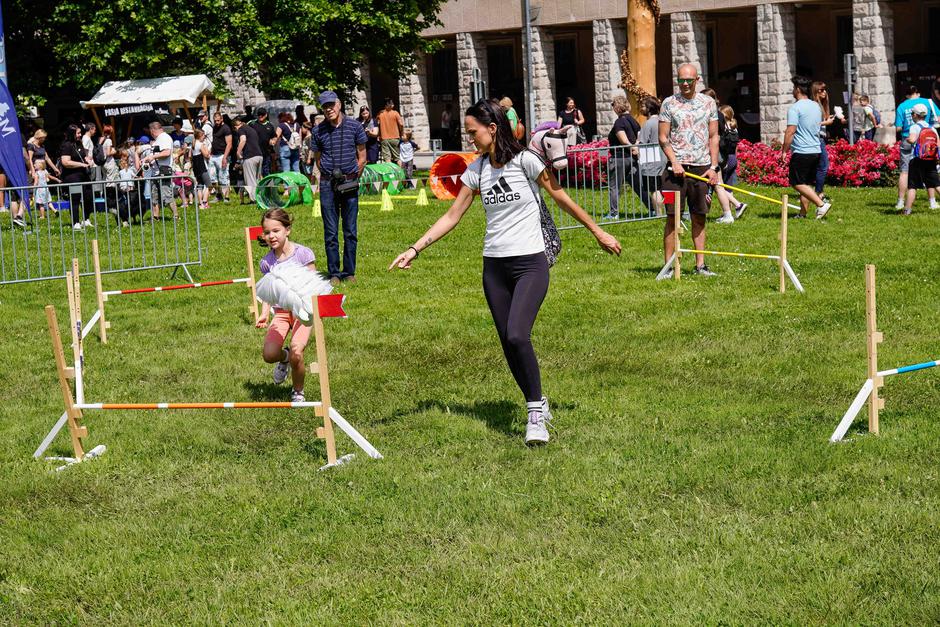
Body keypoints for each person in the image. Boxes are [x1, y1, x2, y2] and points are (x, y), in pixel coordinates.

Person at [389, 98, 621, 446]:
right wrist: (415, 248)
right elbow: (452, 216)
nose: (469, 138)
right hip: (494, 266)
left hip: (530, 262)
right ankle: (538, 398)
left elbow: (561, 199)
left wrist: (598, 231)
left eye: (473, 132)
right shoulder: (477, 170)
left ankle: (534, 415)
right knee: (507, 342)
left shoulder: (527, 161)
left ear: (492, 129)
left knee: (517, 334)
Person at [658, 63, 721, 278]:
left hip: (701, 168)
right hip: (674, 170)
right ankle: (668, 266)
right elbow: (663, 137)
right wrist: (674, 162)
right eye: (681, 80)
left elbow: (714, 136)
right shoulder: (669, 103)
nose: (685, 84)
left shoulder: (708, 103)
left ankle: (700, 265)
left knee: (699, 217)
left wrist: (713, 167)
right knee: (672, 218)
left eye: (689, 80)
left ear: (697, 80)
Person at [255, 208, 318, 403]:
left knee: (297, 352)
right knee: (269, 354)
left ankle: (298, 392)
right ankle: (284, 358)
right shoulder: (267, 262)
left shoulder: (303, 254)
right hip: (281, 313)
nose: (271, 236)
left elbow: (313, 285)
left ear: (287, 230)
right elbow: (268, 290)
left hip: (303, 312)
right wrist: (264, 313)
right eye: (267, 232)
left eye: (276, 230)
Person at [311, 90, 367, 284]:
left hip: (350, 183)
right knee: (331, 231)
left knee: (350, 230)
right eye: (325, 106)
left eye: (331, 105)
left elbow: (363, 157)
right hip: (328, 185)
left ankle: (349, 271)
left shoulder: (355, 126)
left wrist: (351, 177)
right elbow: (317, 159)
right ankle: (334, 273)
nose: (329, 109)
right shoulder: (318, 130)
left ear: (339, 104)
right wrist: (328, 176)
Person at [783, 76, 832, 220]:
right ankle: (802, 214)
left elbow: (790, 131)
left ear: (797, 89)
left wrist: (784, 150)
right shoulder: (816, 106)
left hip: (802, 151)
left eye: (793, 88)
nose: (793, 91)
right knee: (806, 184)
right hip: (816, 150)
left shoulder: (795, 108)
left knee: (796, 182)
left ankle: (821, 204)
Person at [700, 88, 746, 224]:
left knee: (717, 184)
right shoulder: (719, 114)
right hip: (720, 154)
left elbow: (713, 137)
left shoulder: (712, 114)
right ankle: (731, 210)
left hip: (714, 153)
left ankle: (730, 212)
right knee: (718, 184)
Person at [894, 85, 937, 210]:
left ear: (907, 95)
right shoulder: (927, 102)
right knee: (929, 171)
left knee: (904, 171)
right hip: (926, 141)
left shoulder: (902, 106)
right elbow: (937, 117)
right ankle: (932, 202)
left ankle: (901, 202)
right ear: (917, 93)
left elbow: (898, 128)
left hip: (909, 139)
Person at [605, 94, 644, 220]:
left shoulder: (619, 122)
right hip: (632, 159)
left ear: (617, 107)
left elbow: (623, 140)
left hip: (619, 158)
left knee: (614, 186)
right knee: (638, 186)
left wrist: (631, 147)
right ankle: (653, 209)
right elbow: (639, 137)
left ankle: (613, 213)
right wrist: (636, 147)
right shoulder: (634, 120)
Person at [901, 103, 939, 215]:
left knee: (912, 186)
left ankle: (907, 210)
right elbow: (938, 143)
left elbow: (912, 140)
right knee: (936, 184)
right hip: (930, 159)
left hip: (917, 159)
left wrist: (907, 139)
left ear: (915, 115)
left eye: (912, 114)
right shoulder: (932, 127)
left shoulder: (915, 127)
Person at [59, 123, 95, 231]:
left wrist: (88, 160)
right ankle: (75, 222)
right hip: (72, 176)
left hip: (84, 175)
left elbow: (84, 156)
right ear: (72, 134)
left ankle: (86, 219)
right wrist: (81, 164)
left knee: (88, 196)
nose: (80, 135)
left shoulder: (79, 143)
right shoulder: (66, 145)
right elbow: (65, 162)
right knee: (75, 199)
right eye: (78, 133)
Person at [141, 120, 178, 219]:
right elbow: (157, 154)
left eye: (150, 132)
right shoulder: (158, 139)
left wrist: (152, 157)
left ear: (153, 130)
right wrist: (147, 159)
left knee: (167, 195)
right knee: (154, 196)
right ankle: (155, 217)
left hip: (163, 171)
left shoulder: (164, 138)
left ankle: (176, 216)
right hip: (156, 171)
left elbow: (166, 153)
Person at [636, 96, 667, 215]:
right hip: (664, 159)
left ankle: (659, 214)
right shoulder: (662, 121)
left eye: (643, 106)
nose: (641, 108)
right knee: (664, 188)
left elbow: (642, 143)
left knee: (655, 190)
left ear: (649, 108)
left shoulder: (648, 124)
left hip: (652, 161)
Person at [811, 81, 834, 203]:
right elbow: (813, 124)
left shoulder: (821, 106)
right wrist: (827, 123)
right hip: (817, 138)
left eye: (825, 90)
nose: (824, 92)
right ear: (815, 91)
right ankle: (818, 192)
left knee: (820, 166)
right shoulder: (815, 105)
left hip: (820, 137)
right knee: (823, 166)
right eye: (821, 90)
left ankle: (818, 191)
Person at [233, 116, 264, 202]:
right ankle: (261, 198)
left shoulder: (241, 129)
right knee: (257, 179)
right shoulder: (251, 129)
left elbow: (243, 140)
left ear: (235, 126)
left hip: (250, 157)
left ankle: (255, 200)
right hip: (259, 155)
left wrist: (238, 152)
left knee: (250, 180)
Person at [209, 112, 233, 202]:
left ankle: (226, 197)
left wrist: (224, 157)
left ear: (222, 119)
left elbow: (229, 144)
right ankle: (218, 195)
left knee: (224, 176)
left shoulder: (226, 128)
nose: (217, 122)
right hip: (213, 155)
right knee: (213, 177)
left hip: (222, 155)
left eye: (218, 120)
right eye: (215, 121)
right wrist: (211, 152)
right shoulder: (214, 127)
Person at [377, 98, 404, 163]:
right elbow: (401, 124)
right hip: (395, 137)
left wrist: (379, 135)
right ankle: (401, 172)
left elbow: (378, 125)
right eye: (391, 103)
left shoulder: (380, 114)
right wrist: (401, 133)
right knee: (397, 158)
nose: (393, 104)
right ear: (388, 104)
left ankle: (390, 172)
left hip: (384, 138)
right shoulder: (395, 113)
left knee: (387, 158)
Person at [251, 108, 276, 176]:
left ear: (266, 115)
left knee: (266, 171)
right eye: (259, 114)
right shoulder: (252, 123)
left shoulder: (270, 125)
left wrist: (273, 141)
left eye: (262, 115)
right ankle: (257, 185)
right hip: (254, 153)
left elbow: (274, 136)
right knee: (256, 172)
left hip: (266, 152)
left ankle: (266, 186)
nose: (260, 116)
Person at [192, 129, 211, 210]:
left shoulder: (193, 145)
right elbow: (207, 155)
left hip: (196, 168)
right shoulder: (200, 144)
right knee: (209, 185)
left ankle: (200, 203)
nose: (204, 137)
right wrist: (207, 148)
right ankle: (204, 202)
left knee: (200, 185)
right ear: (200, 136)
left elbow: (190, 156)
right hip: (202, 167)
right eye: (203, 136)